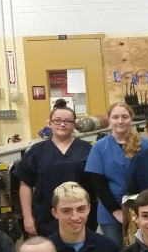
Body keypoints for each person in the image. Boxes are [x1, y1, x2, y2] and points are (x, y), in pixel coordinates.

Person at [14, 100, 95, 236]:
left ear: (74, 125)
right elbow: (25, 184)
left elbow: (97, 183)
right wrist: (27, 216)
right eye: (57, 121)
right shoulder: (37, 151)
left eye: (67, 121)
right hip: (45, 217)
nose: (62, 124)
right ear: (49, 123)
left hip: (80, 216)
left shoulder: (88, 149)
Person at [85, 101, 148, 243]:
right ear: (109, 119)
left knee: (141, 251)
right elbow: (98, 184)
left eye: (124, 117)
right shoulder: (100, 147)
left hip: (142, 209)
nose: (120, 121)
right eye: (115, 117)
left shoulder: (145, 144)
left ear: (131, 118)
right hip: (110, 211)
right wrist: (116, 211)